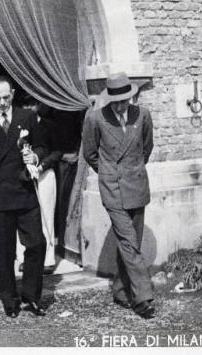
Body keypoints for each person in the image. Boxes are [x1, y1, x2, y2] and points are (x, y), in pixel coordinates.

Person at [82, 72, 156, 320]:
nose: (122, 105)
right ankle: (143, 297)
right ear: (109, 100)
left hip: (137, 186)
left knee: (131, 241)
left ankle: (121, 291)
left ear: (131, 97)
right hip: (113, 190)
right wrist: (110, 173)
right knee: (128, 243)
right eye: (117, 101)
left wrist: (132, 169)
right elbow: (90, 154)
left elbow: (147, 148)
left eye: (126, 100)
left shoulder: (142, 115)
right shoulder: (96, 118)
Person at [0, 76, 47, 318]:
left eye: (6, 97)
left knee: (36, 243)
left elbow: (42, 146)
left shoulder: (26, 117)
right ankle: (9, 298)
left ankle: (32, 295)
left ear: (13, 94)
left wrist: (34, 158)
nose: (3, 103)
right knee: (4, 251)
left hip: (24, 192)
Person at [16, 96, 63, 275]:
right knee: (22, 217)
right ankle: (22, 258)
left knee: (46, 215)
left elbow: (58, 150)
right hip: (22, 176)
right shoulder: (17, 127)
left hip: (44, 174)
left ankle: (48, 258)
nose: (30, 108)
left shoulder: (49, 125)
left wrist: (42, 166)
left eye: (33, 104)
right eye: (26, 104)